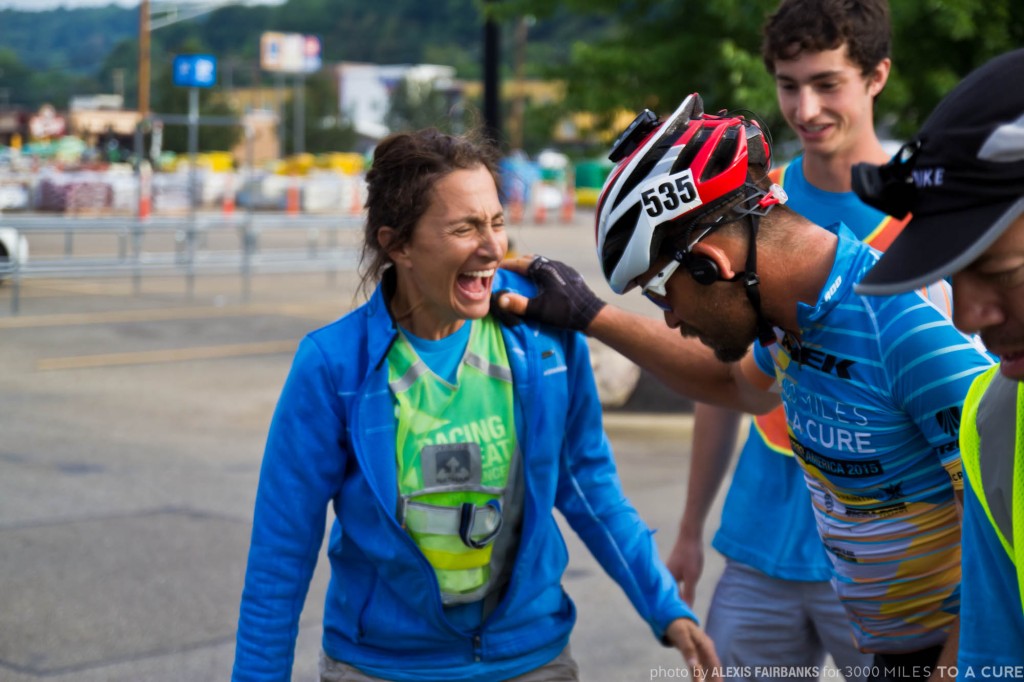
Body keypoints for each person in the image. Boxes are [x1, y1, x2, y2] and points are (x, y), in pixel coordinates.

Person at [498, 92, 993, 680]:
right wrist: (586, 313)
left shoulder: (901, 325)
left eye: (663, 292)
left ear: (712, 264)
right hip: (896, 652)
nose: (672, 320)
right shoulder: (797, 316)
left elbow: (1001, 530)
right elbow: (733, 385)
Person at [231, 128, 719, 682]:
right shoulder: (333, 364)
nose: (492, 249)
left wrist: (663, 604)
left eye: (496, 222)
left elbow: (588, 485)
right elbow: (281, 553)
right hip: (383, 666)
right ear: (399, 245)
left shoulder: (542, 339)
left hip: (530, 659)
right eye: (464, 228)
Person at [666, 1, 946, 677]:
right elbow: (726, 377)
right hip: (762, 539)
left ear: (877, 76)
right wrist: (689, 528)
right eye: (788, 85)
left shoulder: (930, 217)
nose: (805, 107)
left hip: (891, 558)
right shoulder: (753, 201)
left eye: (827, 83)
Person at [850, 48, 1024, 675]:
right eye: (955, 278)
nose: (967, 317)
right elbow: (998, 662)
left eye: (1004, 273)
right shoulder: (994, 421)